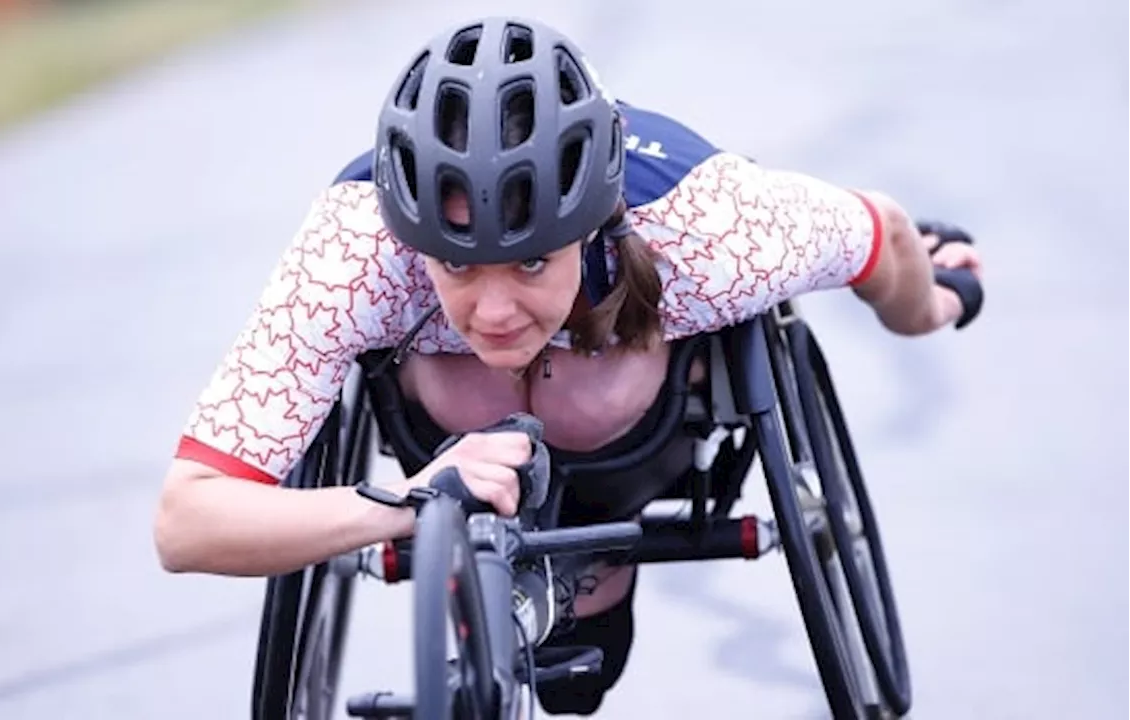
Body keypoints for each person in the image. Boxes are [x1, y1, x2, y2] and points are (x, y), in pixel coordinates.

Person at [153, 15, 985, 716]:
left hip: (635, 437)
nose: (493, 310)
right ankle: (494, 554)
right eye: (455, 266)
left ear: (592, 227)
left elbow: (882, 232)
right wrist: (403, 508)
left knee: (581, 637)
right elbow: (188, 524)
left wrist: (928, 309)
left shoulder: (712, 228)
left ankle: (590, 572)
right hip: (446, 448)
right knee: (468, 376)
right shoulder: (352, 252)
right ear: (411, 242)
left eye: (530, 264)